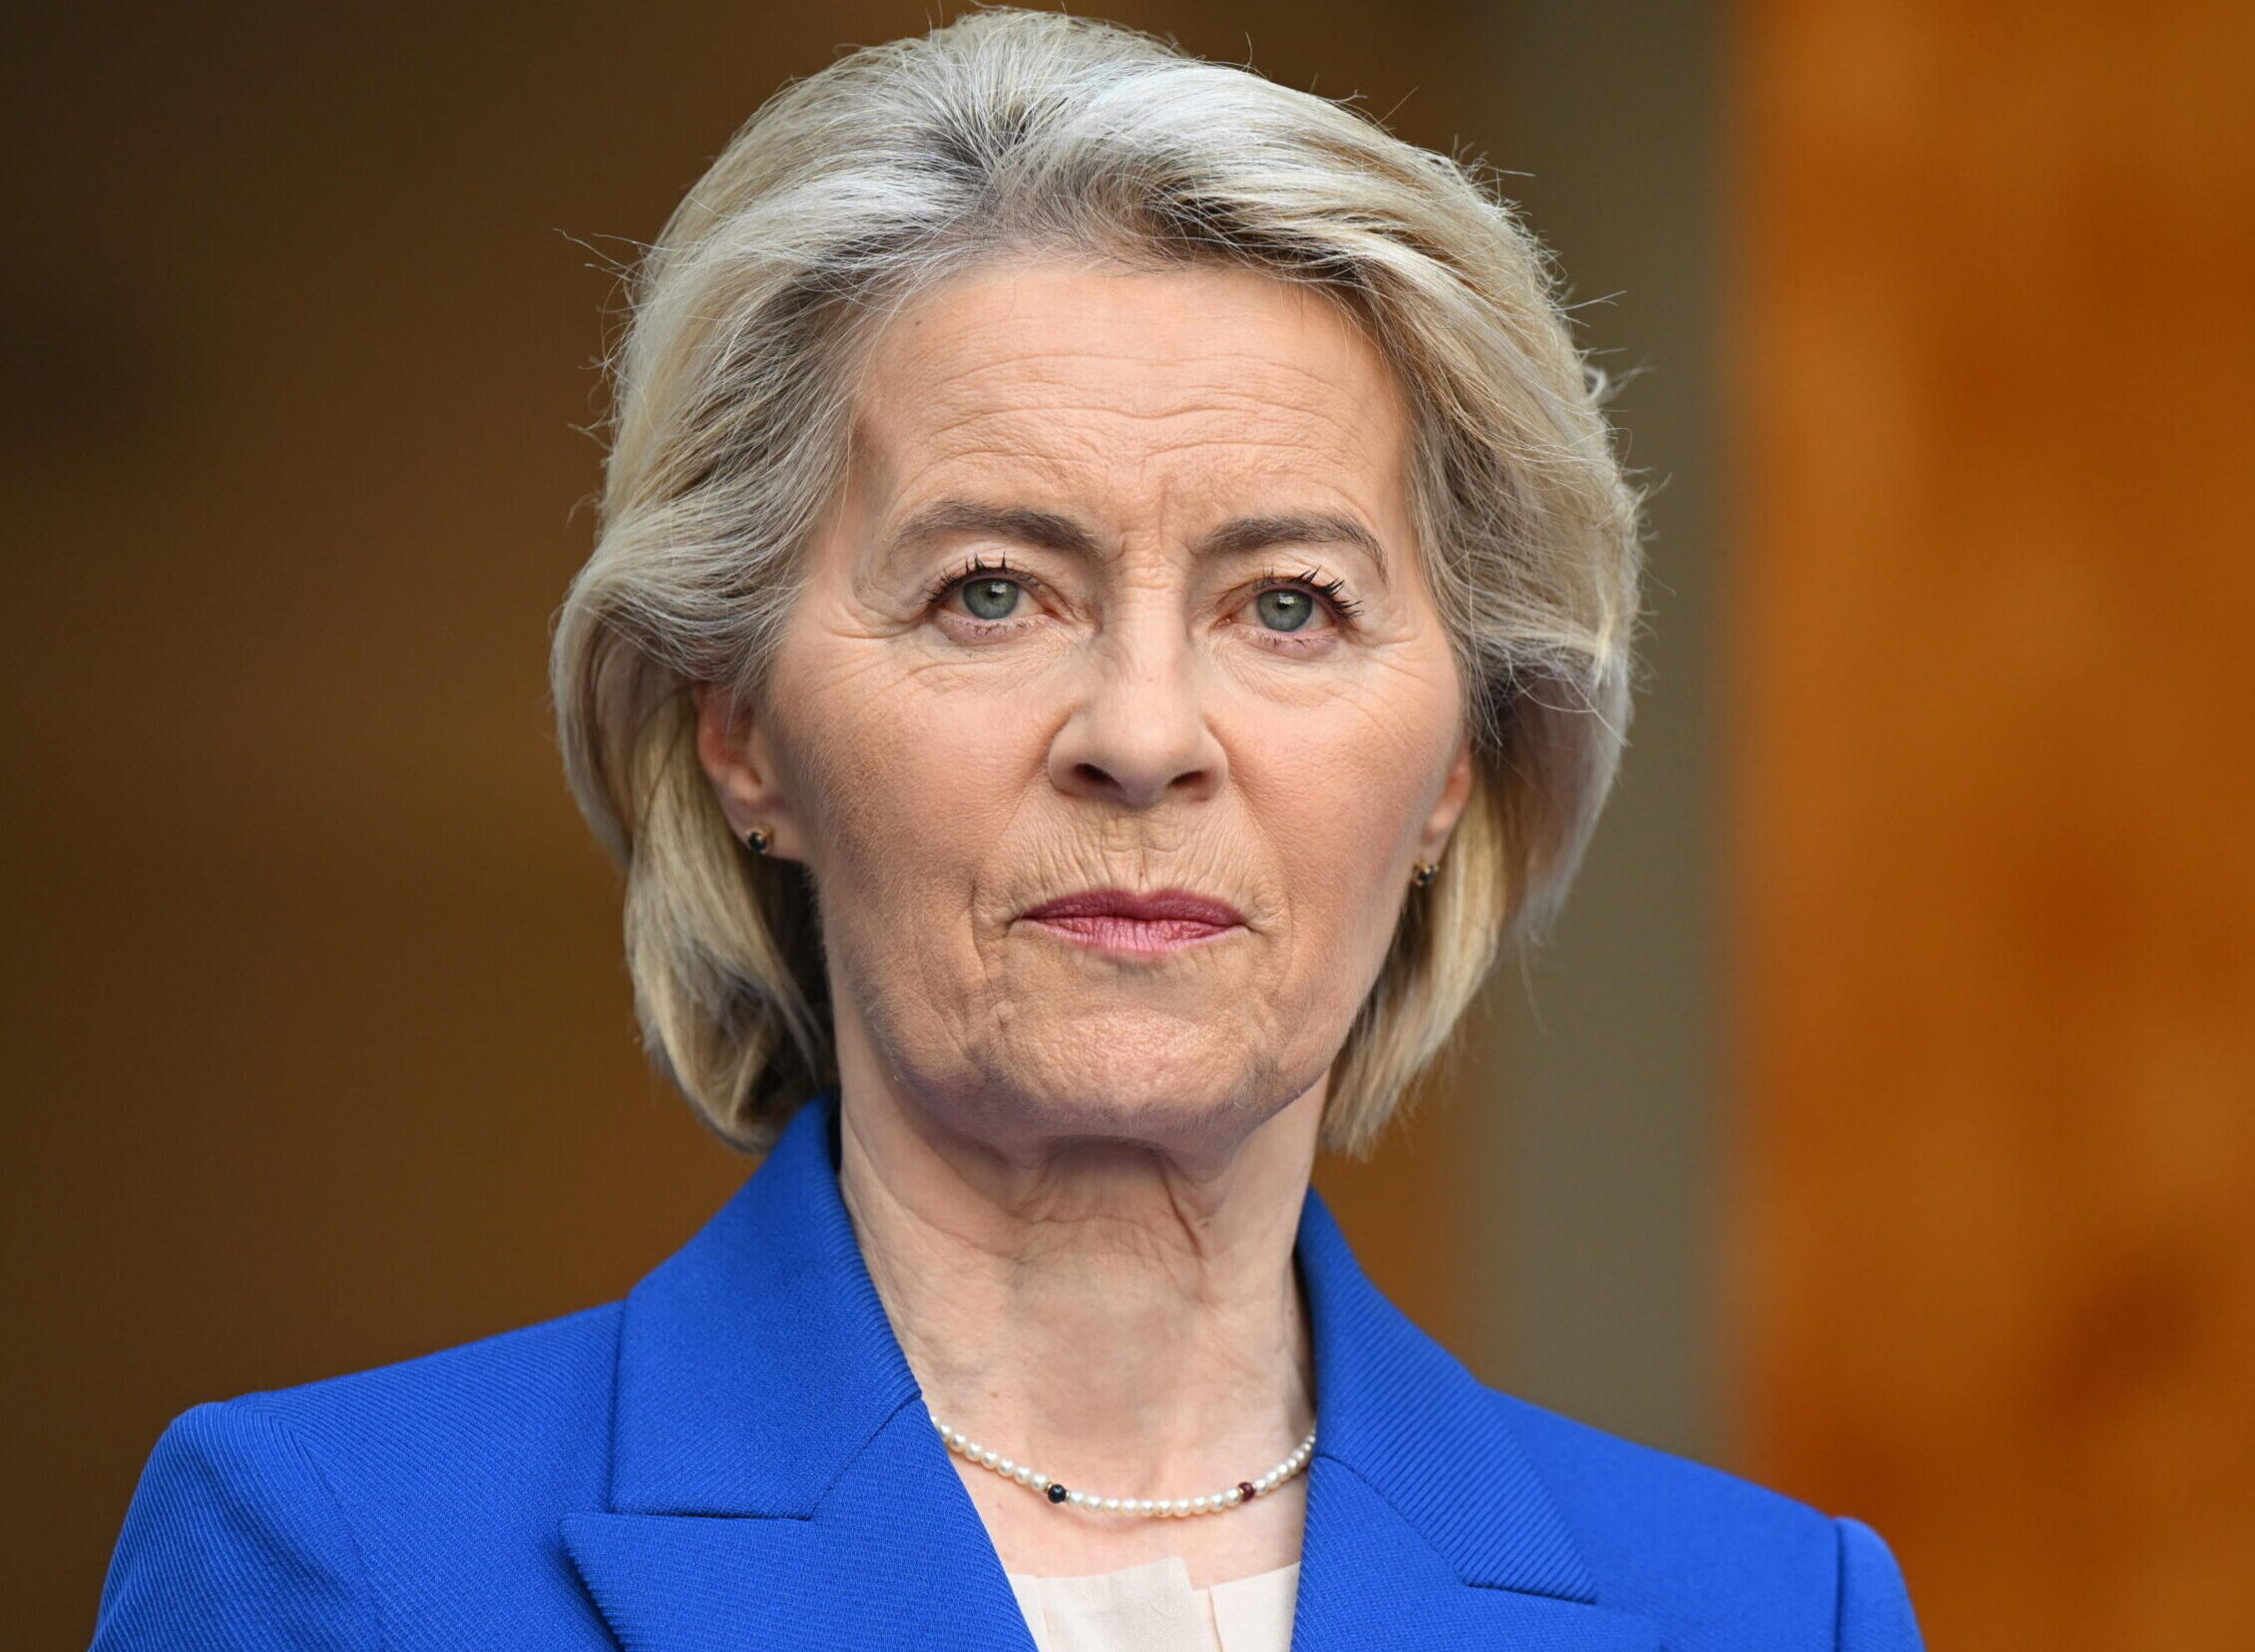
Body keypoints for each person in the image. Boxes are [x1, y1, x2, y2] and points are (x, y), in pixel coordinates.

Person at [90, 11, 1923, 1649]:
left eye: (1290, 605)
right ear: (741, 730)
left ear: (1460, 759)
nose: (1142, 735)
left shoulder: (1778, 1615)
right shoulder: (339, 1566)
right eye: (989, 591)